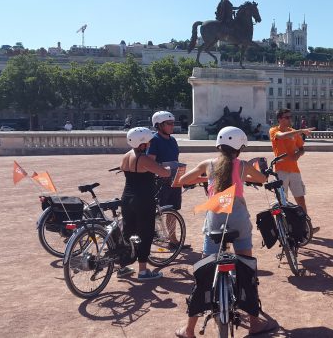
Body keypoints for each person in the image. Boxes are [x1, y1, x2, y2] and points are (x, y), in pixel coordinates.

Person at [175, 127, 278, 338]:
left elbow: (183, 180)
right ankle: (255, 323)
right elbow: (261, 179)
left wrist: (206, 180)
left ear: (219, 145)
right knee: (247, 270)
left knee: (203, 274)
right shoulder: (243, 165)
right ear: (239, 148)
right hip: (238, 219)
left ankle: (189, 329)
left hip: (215, 220)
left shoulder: (208, 164)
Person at [119, 127, 171, 281]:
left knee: (127, 232)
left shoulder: (125, 156)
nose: (149, 144)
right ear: (141, 143)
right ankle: (143, 271)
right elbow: (164, 173)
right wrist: (168, 168)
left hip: (127, 198)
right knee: (145, 232)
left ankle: (122, 266)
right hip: (143, 199)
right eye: (147, 142)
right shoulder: (143, 158)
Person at [147, 111, 191, 250]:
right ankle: (156, 237)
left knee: (173, 210)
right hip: (160, 182)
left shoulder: (172, 140)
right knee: (160, 211)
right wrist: (162, 169)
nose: (173, 126)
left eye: (173, 123)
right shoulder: (154, 140)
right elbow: (150, 162)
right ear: (159, 125)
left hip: (174, 179)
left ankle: (173, 240)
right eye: (169, 123)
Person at [269, 109, 315, 222]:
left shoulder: (294, 132)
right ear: (279, 119)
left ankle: (305, 225)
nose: (290, 119)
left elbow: (302, 149)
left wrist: (298, 155)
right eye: (287, 117)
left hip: (294, 170)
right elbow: (282, 136)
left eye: (290, 117)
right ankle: (284, 227)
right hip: (280, 170)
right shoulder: (274, 130)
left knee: (300, 199)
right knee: (282, 201)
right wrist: (301, 131)